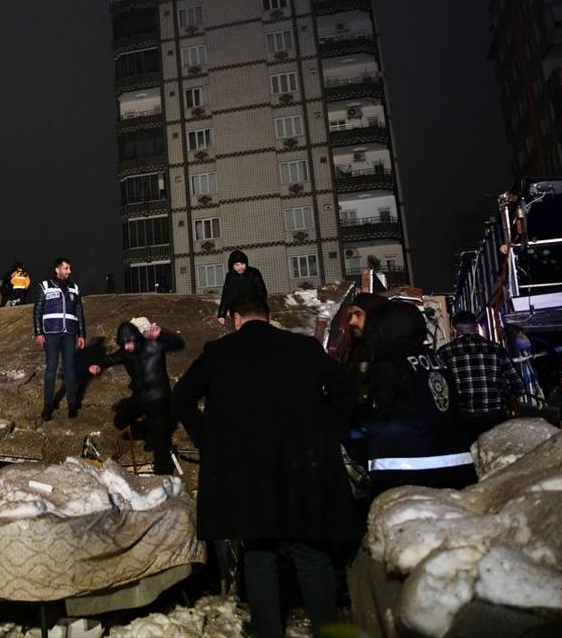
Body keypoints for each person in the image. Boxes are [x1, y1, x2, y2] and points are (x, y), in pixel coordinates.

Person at [172, 292, 358, 638]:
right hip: (304, 468)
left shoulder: (219, 353)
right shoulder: (302, 348)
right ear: (268, 315)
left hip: (247, 475)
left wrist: (208, 441)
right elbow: (346, 387)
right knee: (311, 554)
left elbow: (181, 398)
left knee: (258, 556)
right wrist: (326, 430)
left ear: (236, 318)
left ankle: (267, 631)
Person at [364, 300, 476, 497]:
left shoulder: (388, 363)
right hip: (456, 468)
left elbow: (378, 416)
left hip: (406, 474)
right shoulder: (437, 359)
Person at [89, 317, 183, 474]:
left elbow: (178, 344)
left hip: (159, 397)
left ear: (137, 338)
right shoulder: (126, 352)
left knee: (160, 444)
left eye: (130, 342)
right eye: (124, 344)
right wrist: (98, 365)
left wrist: (163, 335)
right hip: (141, 396)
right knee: (120, 419)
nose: (127, 347)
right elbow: (110, 358)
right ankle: (148, 432)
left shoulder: (154, 344)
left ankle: (163, 475)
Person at [438, 311, 526, 443]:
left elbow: (440, 389)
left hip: (464, 418)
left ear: (454, 328)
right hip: (495, 415)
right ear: (476, 326)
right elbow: (518, 386)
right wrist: (503, 398)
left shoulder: (445, 352)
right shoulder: (496, 349)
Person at [33, 257, 86, 420]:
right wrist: (38, 332)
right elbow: (38, 311)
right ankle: (48, 405)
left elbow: (79, 311)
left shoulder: (74, 288)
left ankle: (72, 404)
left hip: (69, 333)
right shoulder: (45, 286)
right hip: (51, 333)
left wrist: (82, 334)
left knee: (70, 369)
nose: (69, 271)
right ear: (57, 269)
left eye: (69, 268)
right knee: (51, 369)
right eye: (66, 268)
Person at [216, 250, 267, 325]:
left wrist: (258, 306)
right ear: (232, 266)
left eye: (242, 264)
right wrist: (221, 315)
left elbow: (261, 291)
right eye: (237, 265)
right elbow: (226, 295)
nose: (240, 267)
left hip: (253, 306)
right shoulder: (230, 277)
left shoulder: (253, 273)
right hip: (237, 308)